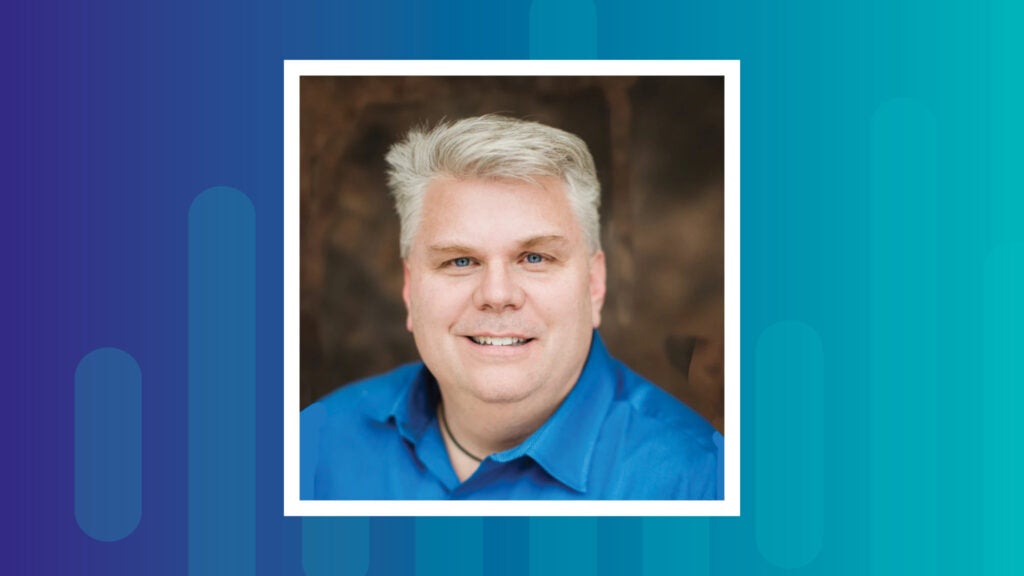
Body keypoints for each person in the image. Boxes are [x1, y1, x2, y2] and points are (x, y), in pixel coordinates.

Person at [301, 115, 722, 500]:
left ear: (594, 285)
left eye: (535, 257)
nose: (497, 294)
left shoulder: (699, 481)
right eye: (460, 261)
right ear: (411, 288)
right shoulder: (314, 447)